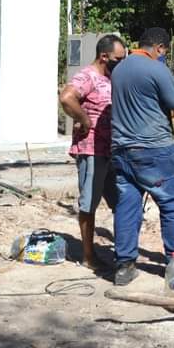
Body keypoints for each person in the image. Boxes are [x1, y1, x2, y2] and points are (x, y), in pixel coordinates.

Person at [109, 27, 174, 287]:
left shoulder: (120, 69)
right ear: (159, 47)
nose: (164, 56)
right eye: (165, 52)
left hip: (123, 152)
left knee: (127, 207)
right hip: (154, 151)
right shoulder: (156, 69)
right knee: (170, 205)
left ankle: (124, 267)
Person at [59, 34, 126, 270]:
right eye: (118, 58)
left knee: (122, 202)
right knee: (89, 204)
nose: (121, 62)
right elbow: (67, 98)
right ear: (103, 56)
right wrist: (84, 119)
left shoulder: (111, 77)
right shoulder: (87, 76)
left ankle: (124, 253)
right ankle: (88, 256)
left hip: (112, 151)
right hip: (92, 151)